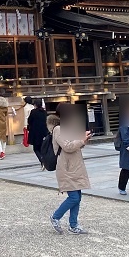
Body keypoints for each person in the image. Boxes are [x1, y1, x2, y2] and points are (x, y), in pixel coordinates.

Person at [49, 103, 91, 235]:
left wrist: (84, 139)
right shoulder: (58, 129)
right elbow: (67, 146)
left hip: (76, 166)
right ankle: (55, 217)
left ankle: (73, 224)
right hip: (66, 167)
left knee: (77, 196)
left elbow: (77, 145)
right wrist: (81, 141)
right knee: (73, 197)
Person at [27, 100, 48, 169]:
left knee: (36, 148)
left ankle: (42, 161)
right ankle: (44, 161)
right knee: (42, 147)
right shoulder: (44, 112)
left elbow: (30, 121)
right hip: (43, 132)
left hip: (35, 132)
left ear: (35, 105)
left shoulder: (33, 112)